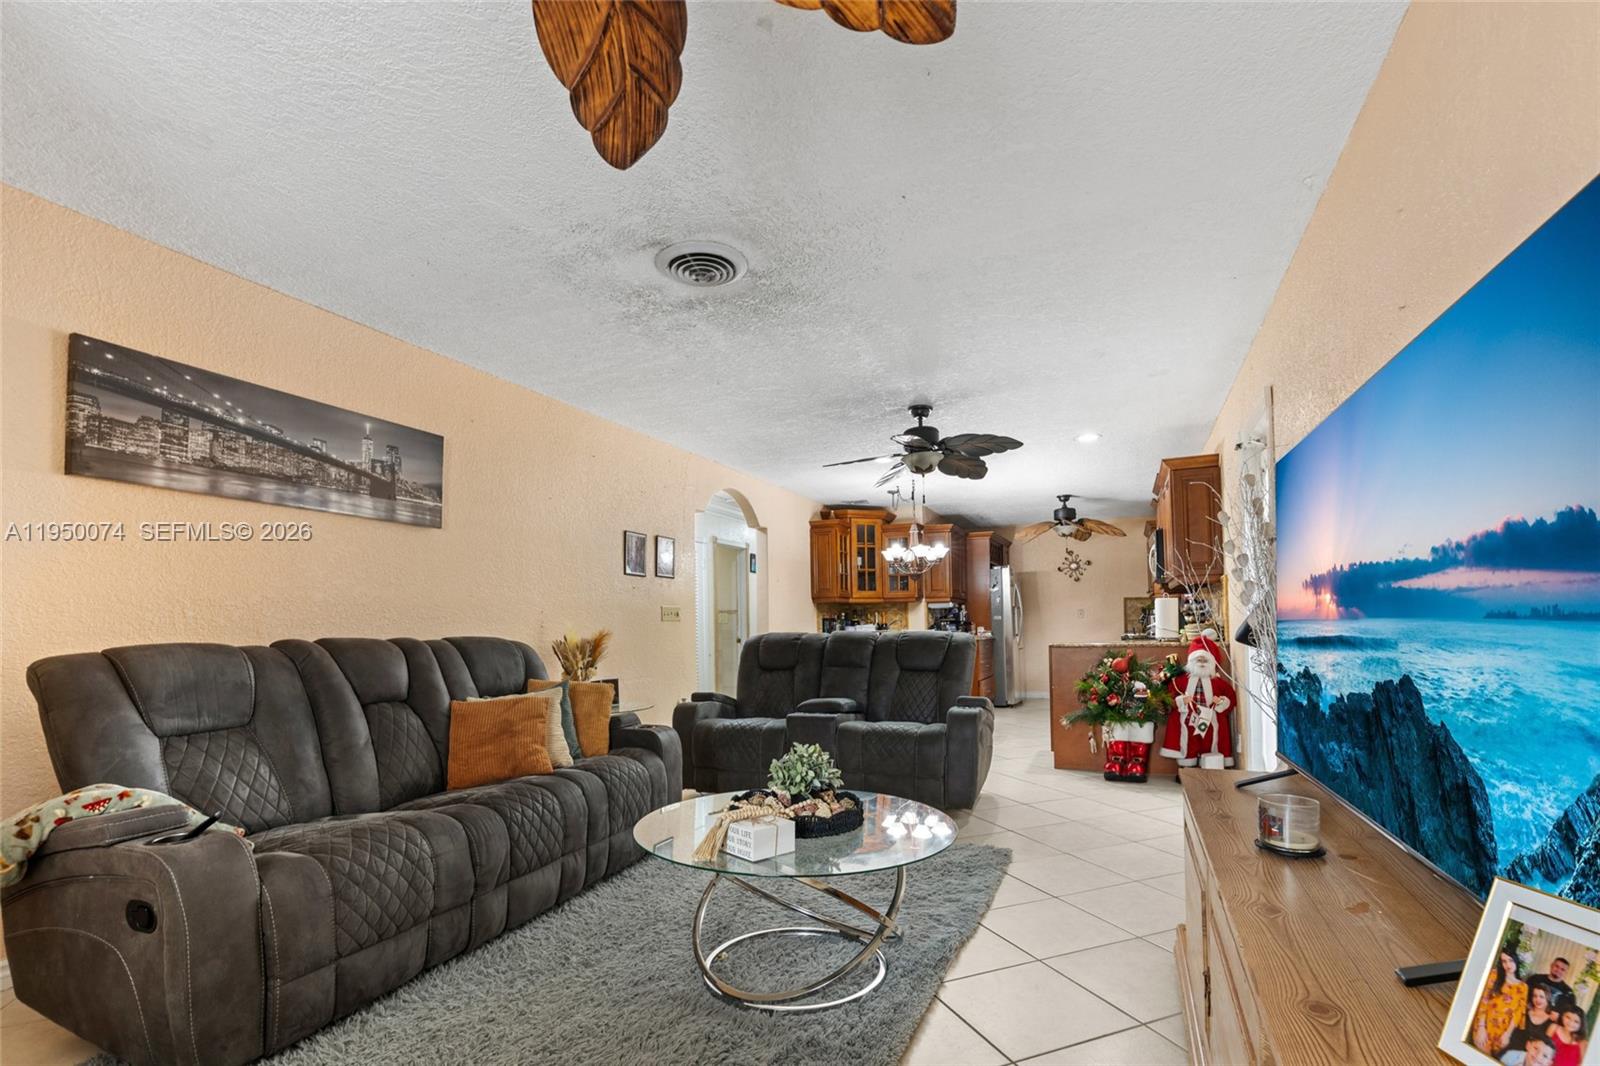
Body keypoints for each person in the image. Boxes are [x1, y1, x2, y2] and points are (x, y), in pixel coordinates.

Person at [1474, 949, 1530, 1058]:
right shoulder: (1494, 975)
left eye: (1511, 960)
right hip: (1484, 1025)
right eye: (1504, 961)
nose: (1508, 965)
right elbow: (1484, 1000)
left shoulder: (1523, 987)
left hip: (1502, 1032)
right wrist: (1481, 1027)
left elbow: (1518, 1013)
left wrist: (1507, 1034)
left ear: (1516, 961)